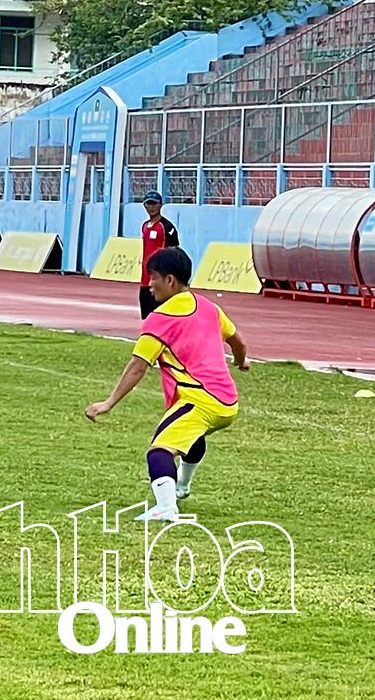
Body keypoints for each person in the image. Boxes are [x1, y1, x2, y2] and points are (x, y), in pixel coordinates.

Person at [85, 248, 249, 523]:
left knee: (159, 451)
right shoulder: (210, 307)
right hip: (228, 403)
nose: (149, 285)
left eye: (154, 278)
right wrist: (241, 362)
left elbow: (138, 367)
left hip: (200, 400)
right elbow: (238, 343)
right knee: (192, 437)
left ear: (170, 280)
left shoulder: (159, 320)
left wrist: (108, 403)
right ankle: (182, 486)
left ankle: (166, 507)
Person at [138, 190, 180, 319]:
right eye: (149, 204)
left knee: (161, 315)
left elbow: (175, 250)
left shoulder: (166, 227)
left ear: (160, 205)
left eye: (154, 203)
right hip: (145, 278)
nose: (151, 207)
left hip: (160, 277)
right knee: (146, 316)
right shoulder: (145, 226)